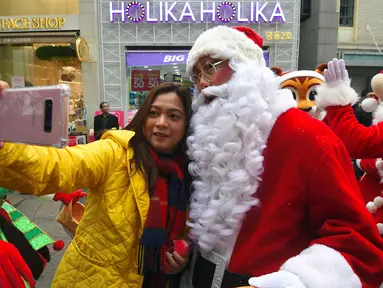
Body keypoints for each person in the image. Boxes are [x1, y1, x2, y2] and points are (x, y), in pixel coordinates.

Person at [182, 26, 383, 288]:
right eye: (196, 74)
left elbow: (357, 242)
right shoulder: (211, 140)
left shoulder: (308, 137)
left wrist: (292, 282)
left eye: (210, 68)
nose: (202, 83)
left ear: (244, 68)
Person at [0, 81, 192, 287]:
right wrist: (6, 149)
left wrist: (180, 262)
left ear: (187, 124)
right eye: (153, 113)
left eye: (173, 116)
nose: (161, 122)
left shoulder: (190, 173)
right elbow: (56, 166)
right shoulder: (115, 152)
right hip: (97, 279)